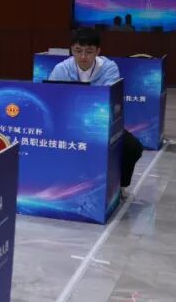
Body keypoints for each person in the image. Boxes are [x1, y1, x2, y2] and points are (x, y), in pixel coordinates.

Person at [48, 27, 143, 187]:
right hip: (68, 126)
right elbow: (51, 99)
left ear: (98, 51)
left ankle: (119, 186)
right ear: (71, 49)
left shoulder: (109, 68)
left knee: (132, 147)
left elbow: (110, 100)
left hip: (100, 124)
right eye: (78, 51)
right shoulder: (61, 69)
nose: (83, 56)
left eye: (89, 51)